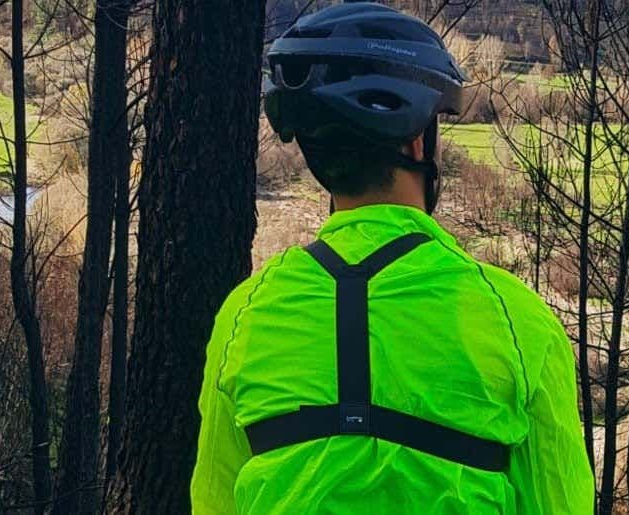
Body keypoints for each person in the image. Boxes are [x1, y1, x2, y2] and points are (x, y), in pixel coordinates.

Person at [190, 3, 592, 513]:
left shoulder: (245, 316)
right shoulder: (517, 321)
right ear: (419, 140)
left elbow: (214, 502)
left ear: (317, 156)